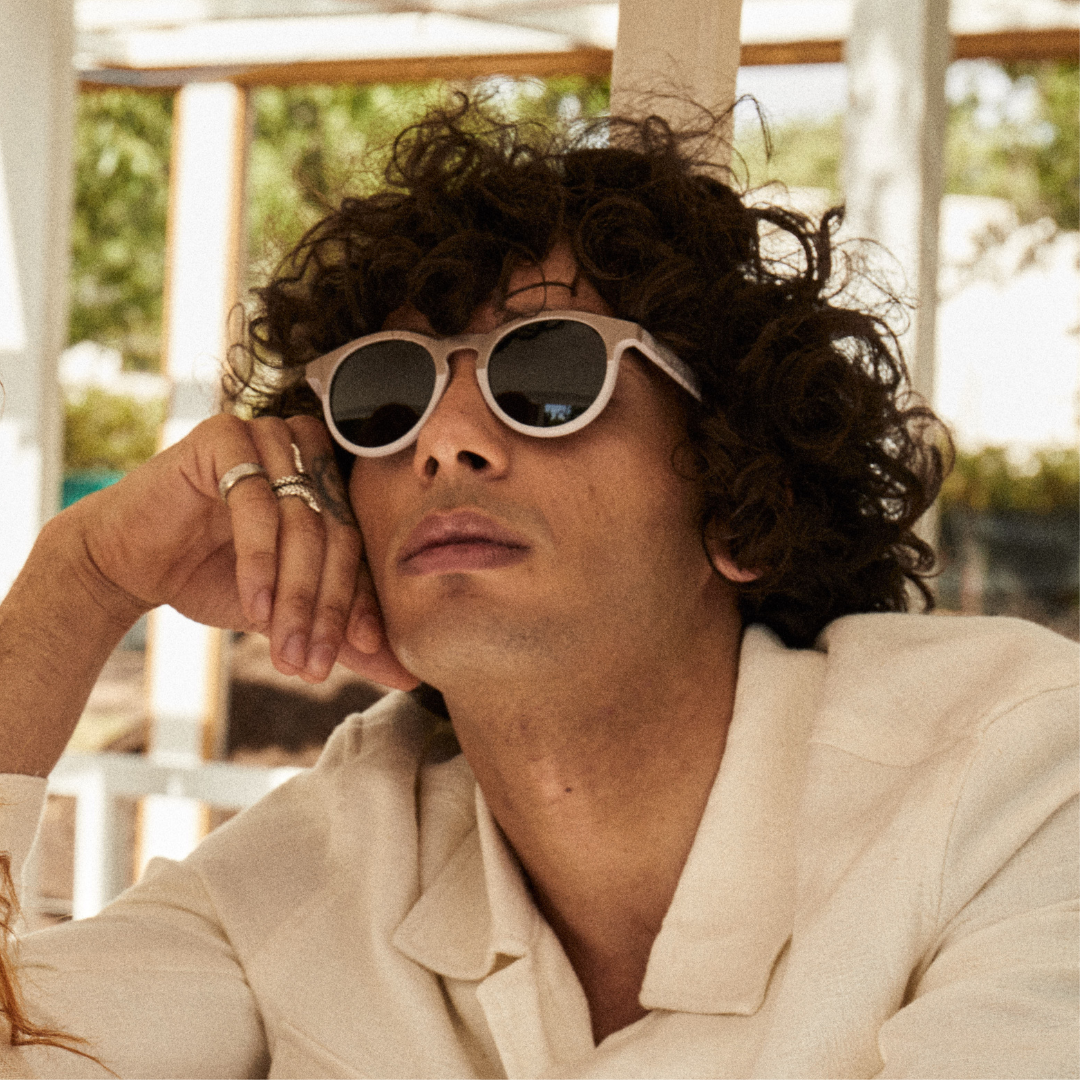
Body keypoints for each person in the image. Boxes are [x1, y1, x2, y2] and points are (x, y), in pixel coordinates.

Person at [0, 97, 1075, 1079]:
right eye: (385, 396)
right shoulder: (326, 861)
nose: (445, 440)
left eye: (550, 376)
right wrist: (79, 580)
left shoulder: (1011, 774)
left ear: (741, 505)